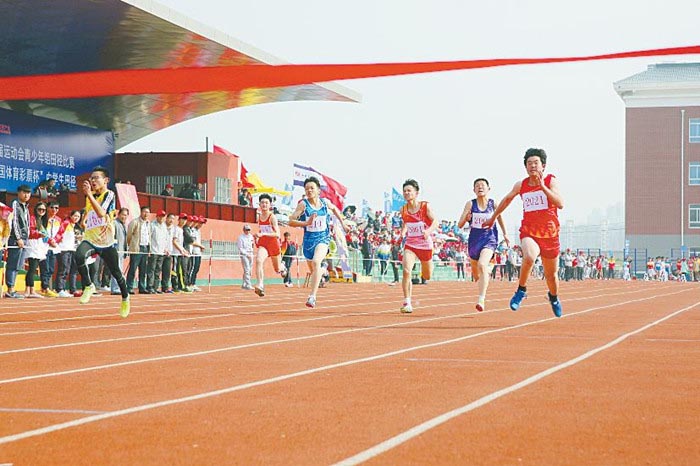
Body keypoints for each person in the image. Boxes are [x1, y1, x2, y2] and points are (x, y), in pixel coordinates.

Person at [483, 148, 564, 317]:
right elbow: (507, 200)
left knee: (551, 276)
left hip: (550, 235)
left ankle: (554, 297)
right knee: (529, 256)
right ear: (525, 167)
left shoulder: (550, 181)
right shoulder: (521, 185)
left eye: (536, 163)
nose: (532, 166)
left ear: (543, 166)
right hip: (529, 231)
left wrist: (543, 187)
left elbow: (560, 203)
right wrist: (493, 218)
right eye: (529, 163)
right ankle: (521, 290)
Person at [74, 166, 130, 317]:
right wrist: (84, 220)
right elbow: (89, 212)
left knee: (116, 273)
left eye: (96, 178)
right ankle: (88, 285)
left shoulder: (109, 194)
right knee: (79, 255)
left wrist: (88, 195)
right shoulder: (90, 196)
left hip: (106, 243)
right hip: (90, 239)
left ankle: (125, 298)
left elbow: (100, 213)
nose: (93, 181)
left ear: (106, 180)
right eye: (91, 178)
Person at [288, 176, 348, 308]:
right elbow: (291, 221)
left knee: (316, 262)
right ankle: (323, 270)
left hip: (323, 238)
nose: (309, 191)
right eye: (307, 189)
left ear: (318, 190)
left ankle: (312, 297)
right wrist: (306, 223)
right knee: (314, 270)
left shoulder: (325, 202)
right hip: (308, 241)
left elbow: (335, 209)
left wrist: (343, 224)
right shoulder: (303, 204)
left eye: (312, 188)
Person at [457, 178, 510, 312]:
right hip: (474, 240)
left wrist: (505, 234)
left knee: (482, 265)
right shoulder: (470, 204)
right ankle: (488, 268)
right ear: (474, 190)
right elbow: (460, 224)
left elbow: (500, 218)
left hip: (489, 238)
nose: (480, 187)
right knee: (477, 275)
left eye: (483, 185)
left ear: (488, 189)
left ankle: (481, 299)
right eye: (477, 186)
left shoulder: (493, 204)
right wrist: (466, 218)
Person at [398, 179, 437, 314]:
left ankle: (429, 266)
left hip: (425, 245)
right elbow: (405, 223)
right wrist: (402, 233)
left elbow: (435, 222)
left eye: (409, 191)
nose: (406, 193)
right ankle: (407, 302)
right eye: (404, 191)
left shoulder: (425, 206)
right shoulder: (403, 209)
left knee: (427, 275)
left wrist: (428, 231)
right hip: (411, 244)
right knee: (406, 271)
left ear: (416, 193)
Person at [252, 194, 286, 297]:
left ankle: (283, 267)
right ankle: (260, 284)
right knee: (259, 260)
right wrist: (257, 236)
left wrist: (263, 234)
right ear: (259, 204)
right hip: (264, 243)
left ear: (270, 204)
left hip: (273, 244)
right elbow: (261, 230)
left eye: (266, 203)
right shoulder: (258, 217)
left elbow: (277, 234)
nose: (264, 204)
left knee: (277, 269)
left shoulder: (272, 217)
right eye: (262, 202)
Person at [4, 184, 32, 299]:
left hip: (24, 239)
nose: (26, 195)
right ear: (18, 193)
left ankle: (12, 288)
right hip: (16, 239)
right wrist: (18, 238)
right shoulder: (15, 204)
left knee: (19, 265)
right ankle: (10, 289)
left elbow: (27, 224)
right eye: (24, 192)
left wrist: (27, 238)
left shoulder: (26, 207)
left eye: (28, 193)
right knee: (13, 263)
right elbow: (14, 222)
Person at [24, 202, 55, 298]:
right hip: (33, 245)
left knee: (33, 269)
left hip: (39, 246)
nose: (41, 211)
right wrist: (38, 234)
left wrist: (50, 241)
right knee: (32, 268)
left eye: (43, 210)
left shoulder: (42, 221)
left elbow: (45, 235)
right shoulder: (32, 218)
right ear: (36, 210)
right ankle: (29, 290)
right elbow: (30, 232)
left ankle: (30, 290)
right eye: (39, 209)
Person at [126, 206, 151, 294]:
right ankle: (129, 287)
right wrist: (131, 246)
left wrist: (149, 249)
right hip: (137, 248)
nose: (146, 214)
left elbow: (149, 236)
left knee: (143, 269)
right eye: (144, 212)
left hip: (145, 248)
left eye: (148, 212)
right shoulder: (135, 222)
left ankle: (142, 287)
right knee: (133, 268)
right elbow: (129, 235)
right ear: (141, 212)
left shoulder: (148, 223)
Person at [111, 208, 129, 295]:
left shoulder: (123, 225)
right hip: (116, 251)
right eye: (123, 214)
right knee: (116, 270)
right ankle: (115, 288)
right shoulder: (114, 223)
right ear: (119, 214)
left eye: (126, 215)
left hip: (122, 251)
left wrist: (126, 250)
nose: (124, 217)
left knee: (120, 270)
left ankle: (118, 287)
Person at [237, 224, 255, 290]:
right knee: (247, 269)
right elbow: (240, 248)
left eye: (249, 230)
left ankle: (244, 284)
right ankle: (248, 284)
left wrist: (251, 253)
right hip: (244, 255)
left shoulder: (251, 237)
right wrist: (246, 254)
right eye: (246, 230)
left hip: (251, 254)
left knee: (250, 270)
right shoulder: (240, 237)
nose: (248, 231)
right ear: (244, 230)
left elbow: (252, 245)